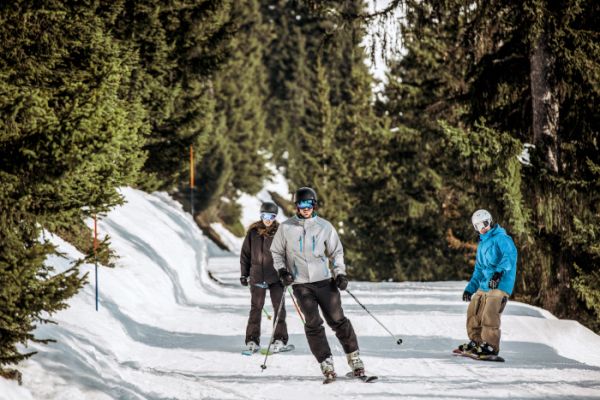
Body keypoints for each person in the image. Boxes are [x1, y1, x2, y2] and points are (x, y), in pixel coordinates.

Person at [270, 187, 364, 381]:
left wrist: (340, 274)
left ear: (314, 205)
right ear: (296, 205)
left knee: (338, 320)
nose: (306, 208)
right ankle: (326, 362)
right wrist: (282, 271)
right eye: (302, 204)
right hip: (301, 283)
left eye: (309, 204)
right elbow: (277, 253)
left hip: (324, 282)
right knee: (313, 322)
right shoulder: (286, 228)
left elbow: (336, 252)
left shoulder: (324, 226)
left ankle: (354, 359)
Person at [456, 209, 518, 357]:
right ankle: (477, 343)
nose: (482, 227)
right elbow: (478, 270)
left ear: (489, 221)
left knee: (490, 314)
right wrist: (470, 289)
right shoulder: (482, 244)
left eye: (484, 223)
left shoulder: (502, 238)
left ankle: (490, 346)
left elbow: (510, 256)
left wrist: (498, 273)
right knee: (473, 312)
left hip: (500, 284)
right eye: (478, 226)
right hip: (485, 285)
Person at [240, 201, 288, 353]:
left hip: (276, 277)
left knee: (279, 308)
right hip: (257, 276)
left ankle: (279, 339)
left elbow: (289, 254)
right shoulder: (253, 232)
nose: (268, 219)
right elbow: (245, 254)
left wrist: (288, 273)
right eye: (265, 215)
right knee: (256, 308)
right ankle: (252, 340)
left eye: (271, 216)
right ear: (261, 215)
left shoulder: (281, 232)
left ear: (275, 217)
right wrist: (244, 273)